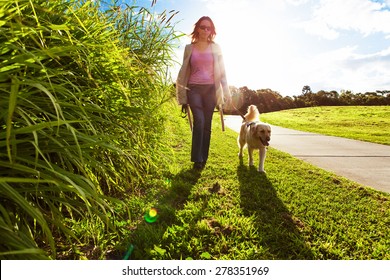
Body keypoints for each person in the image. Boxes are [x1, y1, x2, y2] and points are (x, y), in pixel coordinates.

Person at [176, 16, 231, 170]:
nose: (205, 30)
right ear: (197, 29)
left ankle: (203, 158)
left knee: (207, 124)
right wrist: (182, 95)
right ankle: (197, 159)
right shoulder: (189, 48)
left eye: (208, 28)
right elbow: (184, 71)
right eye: (202, 27)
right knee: (199, 120)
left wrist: (226, 91)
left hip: (210, 90)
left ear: (211, 31)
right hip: (193, 88)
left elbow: (222, 71)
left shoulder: (216, 48)